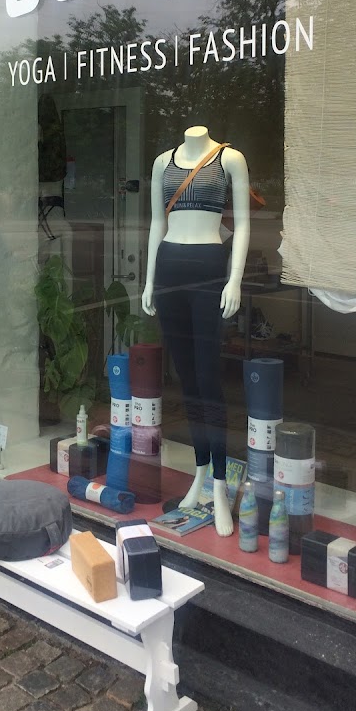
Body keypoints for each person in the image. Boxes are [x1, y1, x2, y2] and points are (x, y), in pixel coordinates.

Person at [141, 125, 250, 536]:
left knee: (208, 379)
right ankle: (200, 472)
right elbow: (157, 223)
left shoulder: (229, 159)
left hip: (209, 266)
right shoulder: (162, 163)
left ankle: (219, 484)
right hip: (169, 266)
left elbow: (243, 225)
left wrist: (234, 280)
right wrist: (149, 280)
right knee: (187, 379)